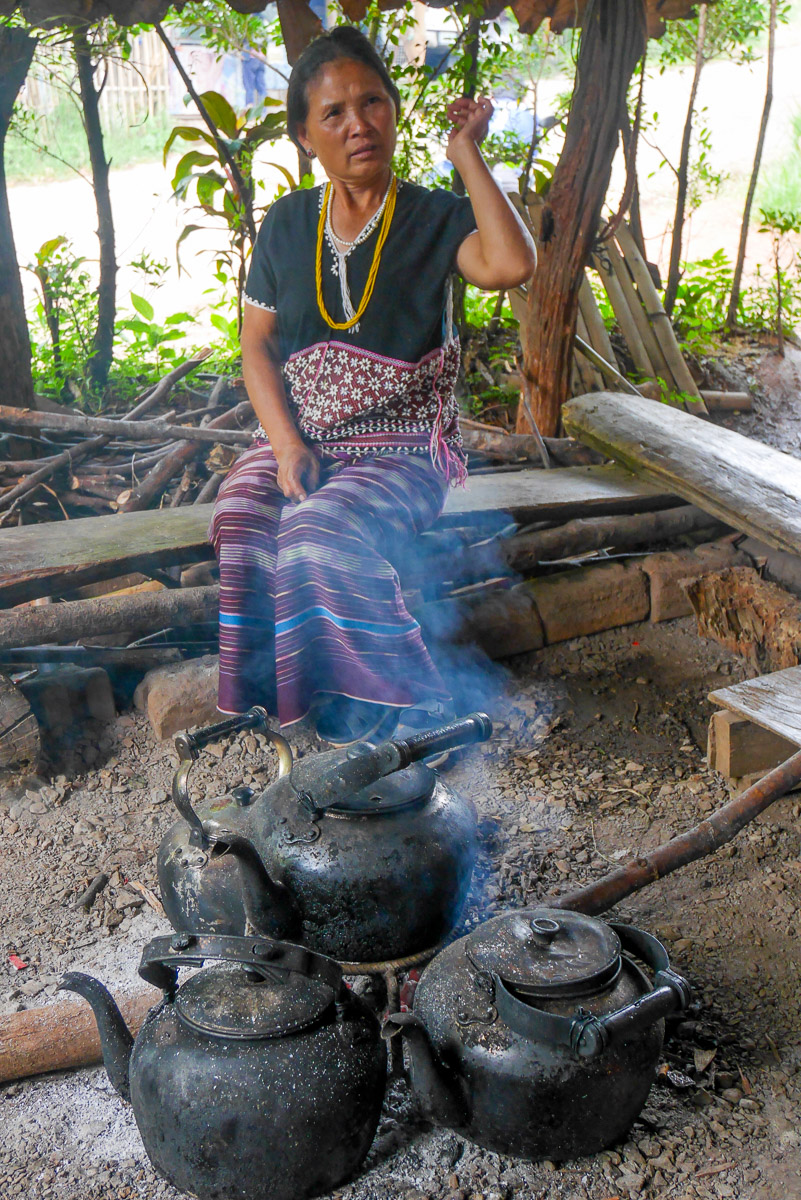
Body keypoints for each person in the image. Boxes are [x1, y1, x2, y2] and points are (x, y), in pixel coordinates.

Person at [210, 25, 536, 745]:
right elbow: (256, 346)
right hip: (307, 440)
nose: (358, 124)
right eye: (333, 114)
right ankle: (285, 703)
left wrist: (466, 154)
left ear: (393, 110)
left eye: (373, 102)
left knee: (316, 530)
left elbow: (511, 265)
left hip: (402, 455)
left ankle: (405, 707)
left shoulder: (435, 216)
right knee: (239, 511)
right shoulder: (288, 224)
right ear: (304, 136)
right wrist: (287, 442)